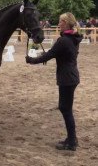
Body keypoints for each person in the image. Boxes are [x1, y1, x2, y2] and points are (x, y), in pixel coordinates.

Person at [26, 12, 83, 151]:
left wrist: (31, 60)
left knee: (66, 109)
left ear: (67, 23)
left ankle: (71, 141)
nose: (59, 24)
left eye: (61, 22)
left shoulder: (63, 41)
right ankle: (71, 138)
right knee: (65, 108)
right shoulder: (72, 38)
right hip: (71, 77)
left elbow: (49, 55)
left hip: (67, 78)